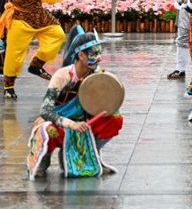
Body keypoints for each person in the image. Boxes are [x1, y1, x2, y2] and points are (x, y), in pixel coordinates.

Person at [27, 25, 123, 178]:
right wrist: (71, 124)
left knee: (115, 118)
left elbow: (103, 103)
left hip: (84, 123)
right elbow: (45, 110)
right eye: (93, 53)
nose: (98, 58)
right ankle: (44, 159)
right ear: (81, 55)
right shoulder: (62, 76)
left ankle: (94, 154)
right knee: (46, 130)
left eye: (99, 53)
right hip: (60, 122)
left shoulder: (96, 75)